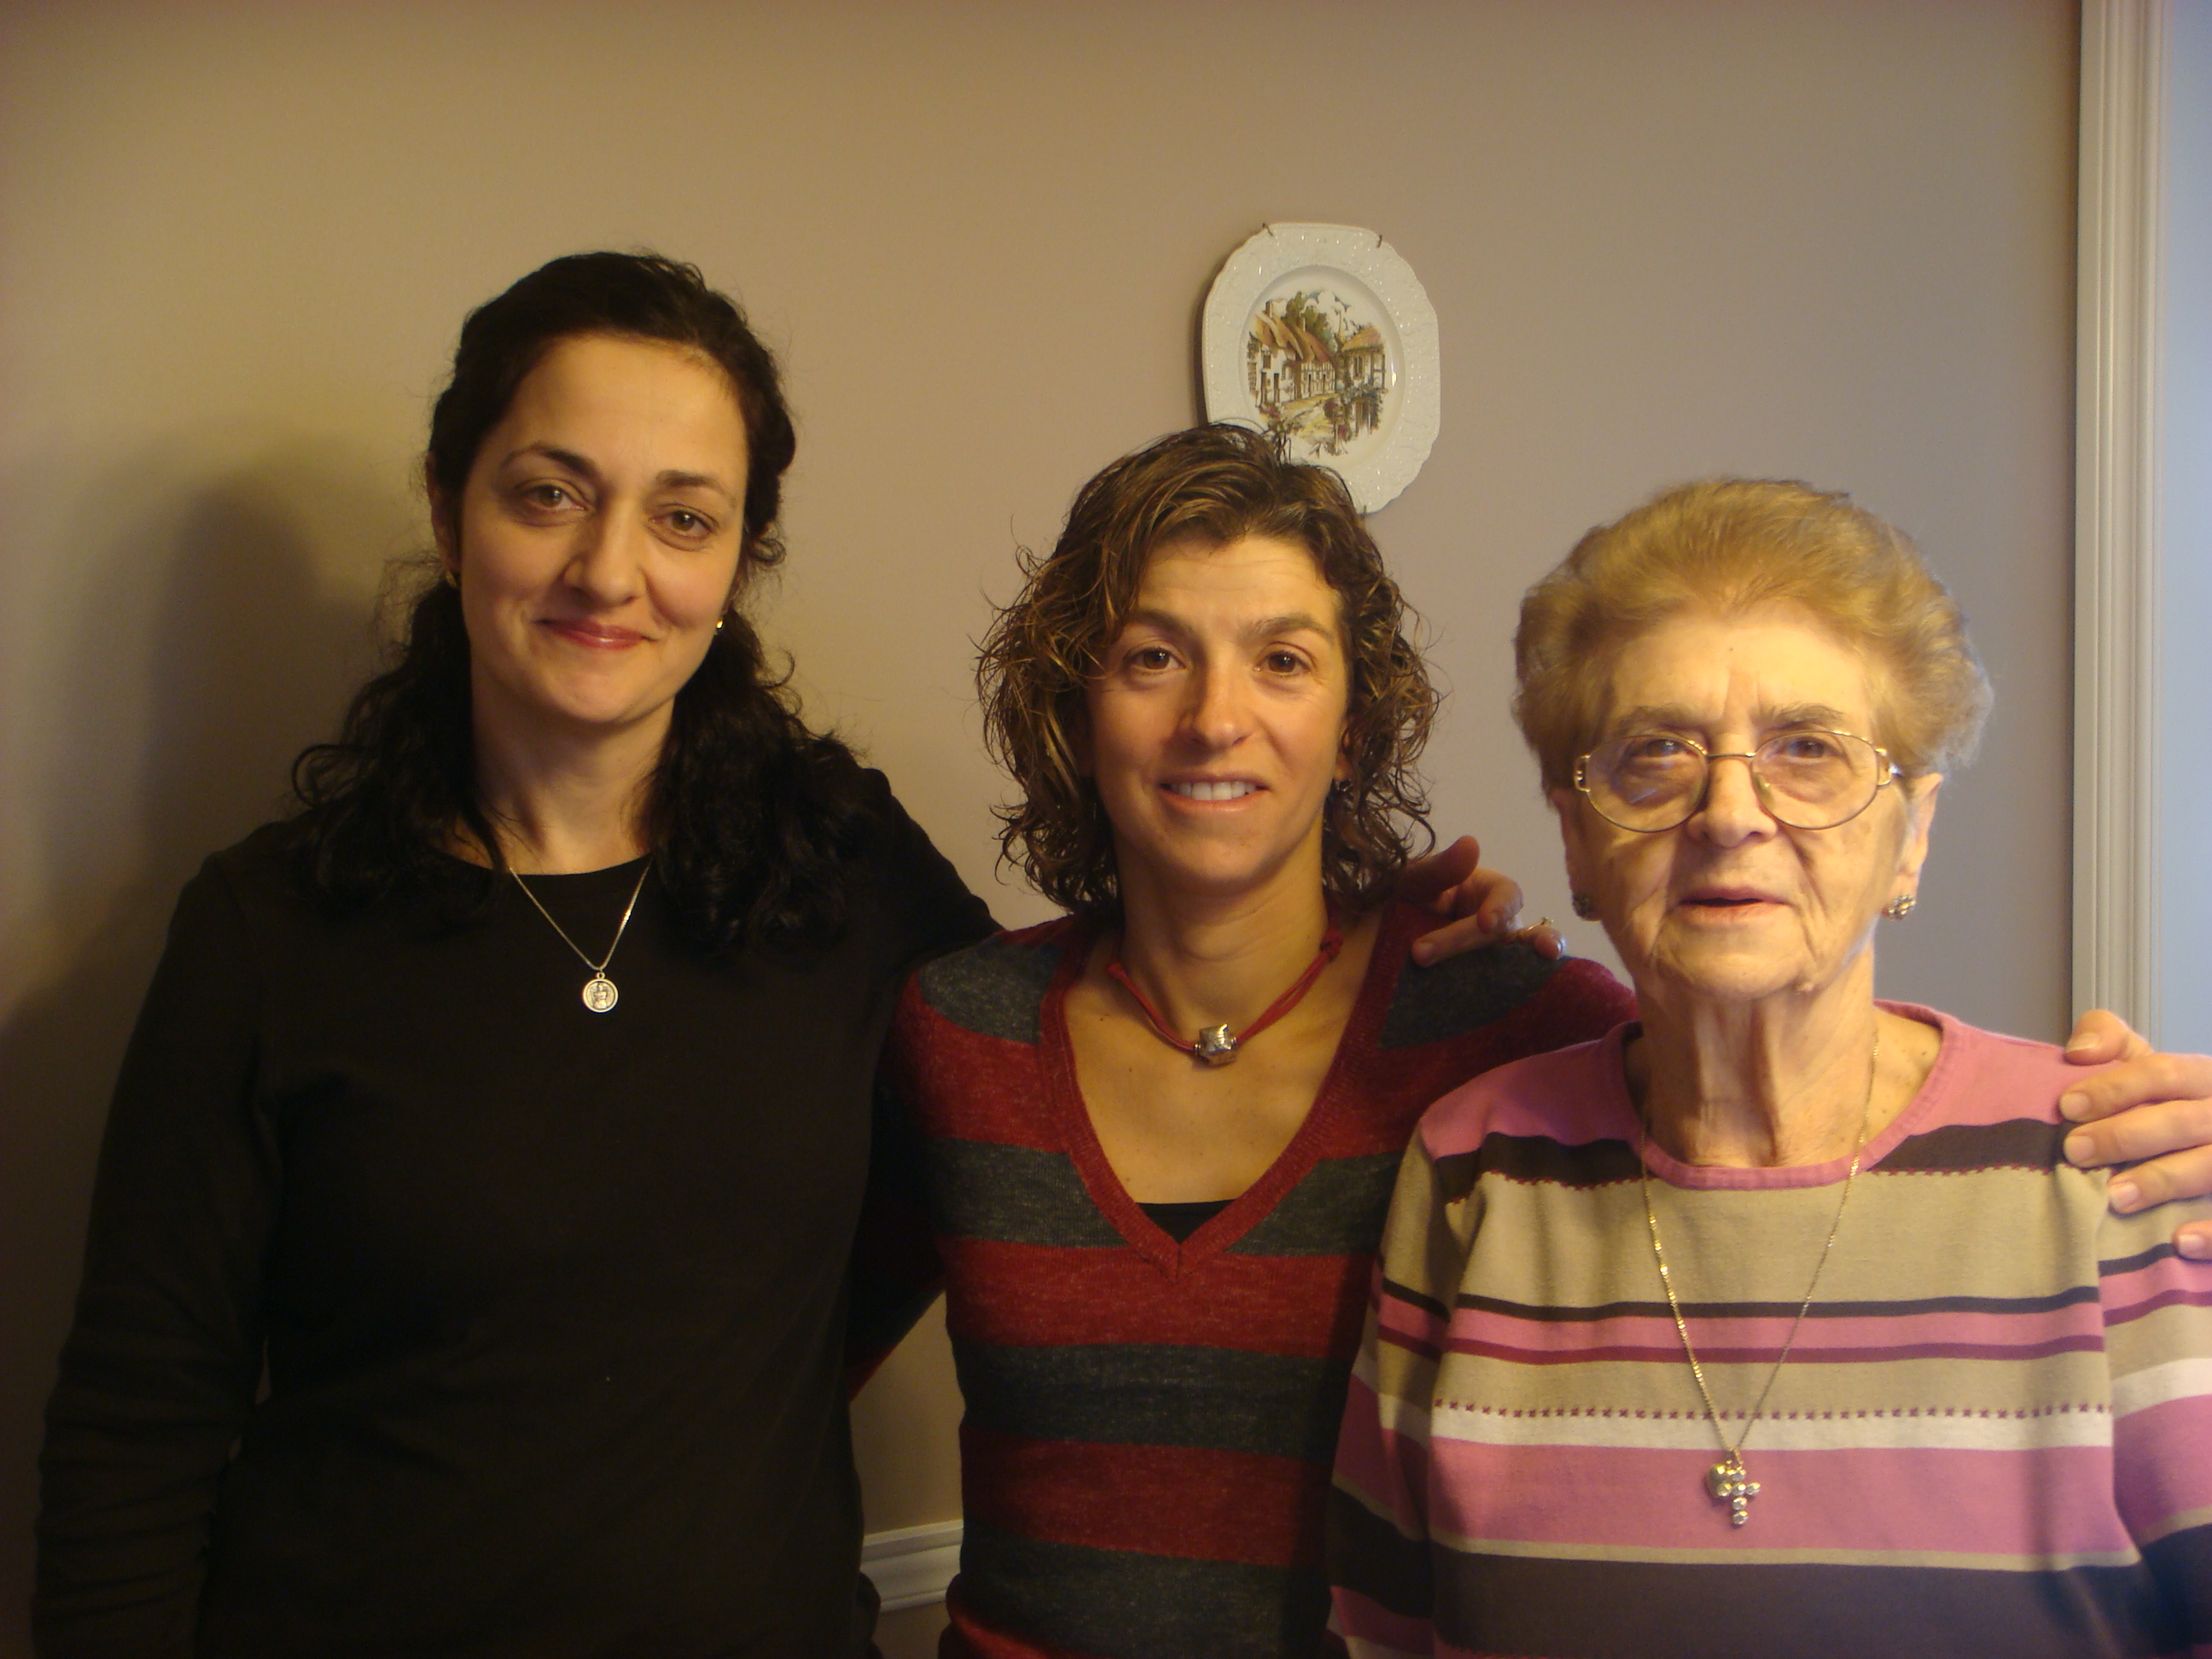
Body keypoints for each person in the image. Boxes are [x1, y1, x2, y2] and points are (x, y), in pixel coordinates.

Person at [864, 433, 2212, 1659]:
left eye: (1284, 659)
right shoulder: (975, 1035)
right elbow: (776, 1345)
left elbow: (1737, 1045)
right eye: (1153, 657)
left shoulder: (1501, 1028)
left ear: (1354, 724)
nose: (1728, 815)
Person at [32, 253, 1002, 1657]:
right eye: (550, 494)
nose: (609, 570)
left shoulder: (842, 866)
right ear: (449, 510)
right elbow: (135, 1430)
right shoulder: (267, 930)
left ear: (738, 563)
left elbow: (1057, 1084)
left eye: (684, 517)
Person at [1330, 480, 2212, 1656]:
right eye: (1657, 753)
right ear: (1576, 837)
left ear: (1913, 832)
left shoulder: (2114, 1167)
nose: (1729, 813)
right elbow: (1382, 1632)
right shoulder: (1472, 1169)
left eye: (1808, 750)